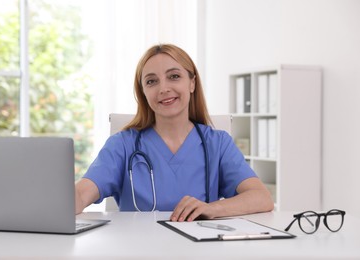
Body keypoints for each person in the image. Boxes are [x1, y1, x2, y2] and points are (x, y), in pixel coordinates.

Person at [75, 43, 274, 221]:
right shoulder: (122, 145)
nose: (163, 88)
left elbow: (262, 198)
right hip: (138, 250)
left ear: (192, 83)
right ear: (143, 92)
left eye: (174, 76)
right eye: (151, 81)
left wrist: (212, 208)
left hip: (198, 250)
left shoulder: (218, 143)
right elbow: (81, 195)